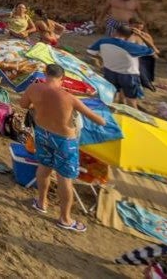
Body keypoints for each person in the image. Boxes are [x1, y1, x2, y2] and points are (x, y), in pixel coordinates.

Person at [18, 64, 106, 232]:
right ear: (63, 78)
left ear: (45, 74)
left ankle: (41, 202)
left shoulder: (33, 88)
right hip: (64, 140)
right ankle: (65, 219)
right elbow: (98, 120)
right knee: (64, 178)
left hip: (42, 133)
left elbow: (23, 105)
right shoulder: (69, 98)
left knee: (44, 167)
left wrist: (37, 105)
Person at [87, 24, 154, 108]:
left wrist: (102, 58)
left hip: (109, 72)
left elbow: (90, 51)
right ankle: (132, 117)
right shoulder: (131, 47)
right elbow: (152, 50)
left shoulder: (102, 41)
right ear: (129, 36)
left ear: (115, 32)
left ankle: (113, 110)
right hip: (129, 75)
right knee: (131, 101)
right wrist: (141, 35)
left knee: (111, 96)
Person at [129, 17, 159, 91]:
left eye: (140, 27)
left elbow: (152, 46)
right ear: (130, 25)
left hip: (147, 58)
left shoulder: (146, 35)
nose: (138, 29)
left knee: (146, 74)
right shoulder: (127, 35)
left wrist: (140, 35)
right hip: (134, 57)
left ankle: (146, 84)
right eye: (136, 27)